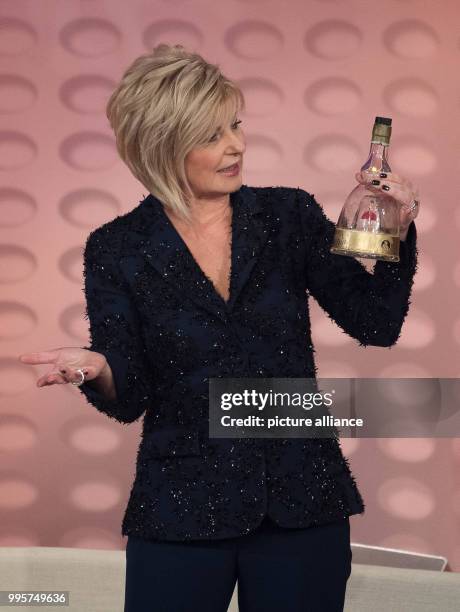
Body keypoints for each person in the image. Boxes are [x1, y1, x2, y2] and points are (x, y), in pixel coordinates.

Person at [19, 44, 419, 612]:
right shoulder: (116, 248)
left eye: (235, 124)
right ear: (162, 146)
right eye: (211, 135)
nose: (236, 145)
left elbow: (375, 323)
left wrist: (398, 230)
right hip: (179, 503)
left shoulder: (288, 215)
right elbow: (129, 395)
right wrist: (99, 368)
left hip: (301, 502)